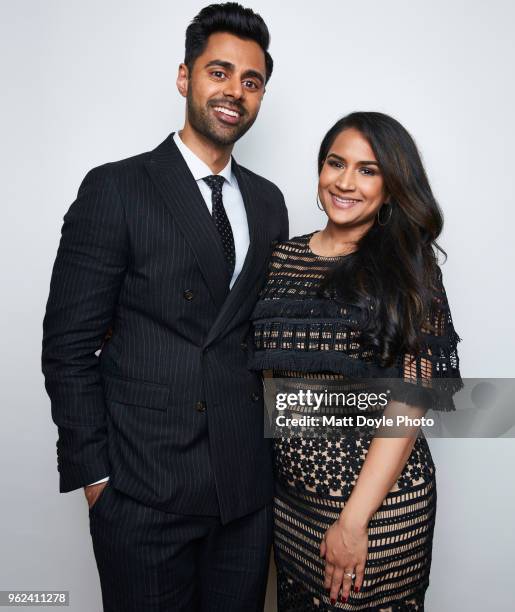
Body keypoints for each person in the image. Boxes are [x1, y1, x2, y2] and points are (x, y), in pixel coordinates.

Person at [41, 3, 288, 611]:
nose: (235, 91)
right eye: (219, 72)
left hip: (243, 491)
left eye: (251, 81)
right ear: (186, 77)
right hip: (143, 489)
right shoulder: (117, 188)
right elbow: (67, 348)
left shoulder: (269, 201)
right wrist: (97, 479)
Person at [249, 112, 462, 610]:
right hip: (291, 504)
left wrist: (353, 521)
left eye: (368, 170)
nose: (345, 182)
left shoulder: (410, 271)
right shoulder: (280, 259)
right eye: (335, 163)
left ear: (392, 187)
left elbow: (410, 402)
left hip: (377, 511)